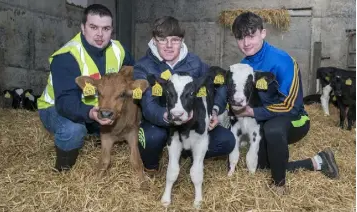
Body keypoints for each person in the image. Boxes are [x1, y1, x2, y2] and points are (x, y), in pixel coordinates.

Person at [230, 12, 339, 194]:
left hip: (294, 120)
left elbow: (291, 106)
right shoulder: (243, 65)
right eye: (240, 38)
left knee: (273, 128)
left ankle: (279, 186)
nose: (246, 43)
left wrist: (252, 113)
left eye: (251, 36)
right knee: (261, 166)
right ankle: (319, 161)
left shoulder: (283, 61)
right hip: (265, 123)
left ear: (263, 33)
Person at [37, 4, 135, 172]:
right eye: (93, 27)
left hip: (101, 107)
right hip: (56, 108)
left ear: (111, 30)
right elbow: (65, 102)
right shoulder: (67, 57)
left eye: (106, 28)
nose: (100, 34)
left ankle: (97, 132)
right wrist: (90, 113)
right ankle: (63, 169)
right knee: (74, 129)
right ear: (83, 28)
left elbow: (135, 71)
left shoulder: (119, 50)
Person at [133, 16, 236, 175]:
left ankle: (187, 154)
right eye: (162, 39)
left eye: (174, 40)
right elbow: (148, 106)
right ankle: (151, 167)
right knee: (151, 137)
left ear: (182, 40)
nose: (168, 46)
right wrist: (169, 116)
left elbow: (220, 82)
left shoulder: (194, 63)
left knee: (227, 140)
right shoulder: (143, 66)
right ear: (154, 40)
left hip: (191, 123)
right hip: (161, 123)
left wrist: (214, 110)